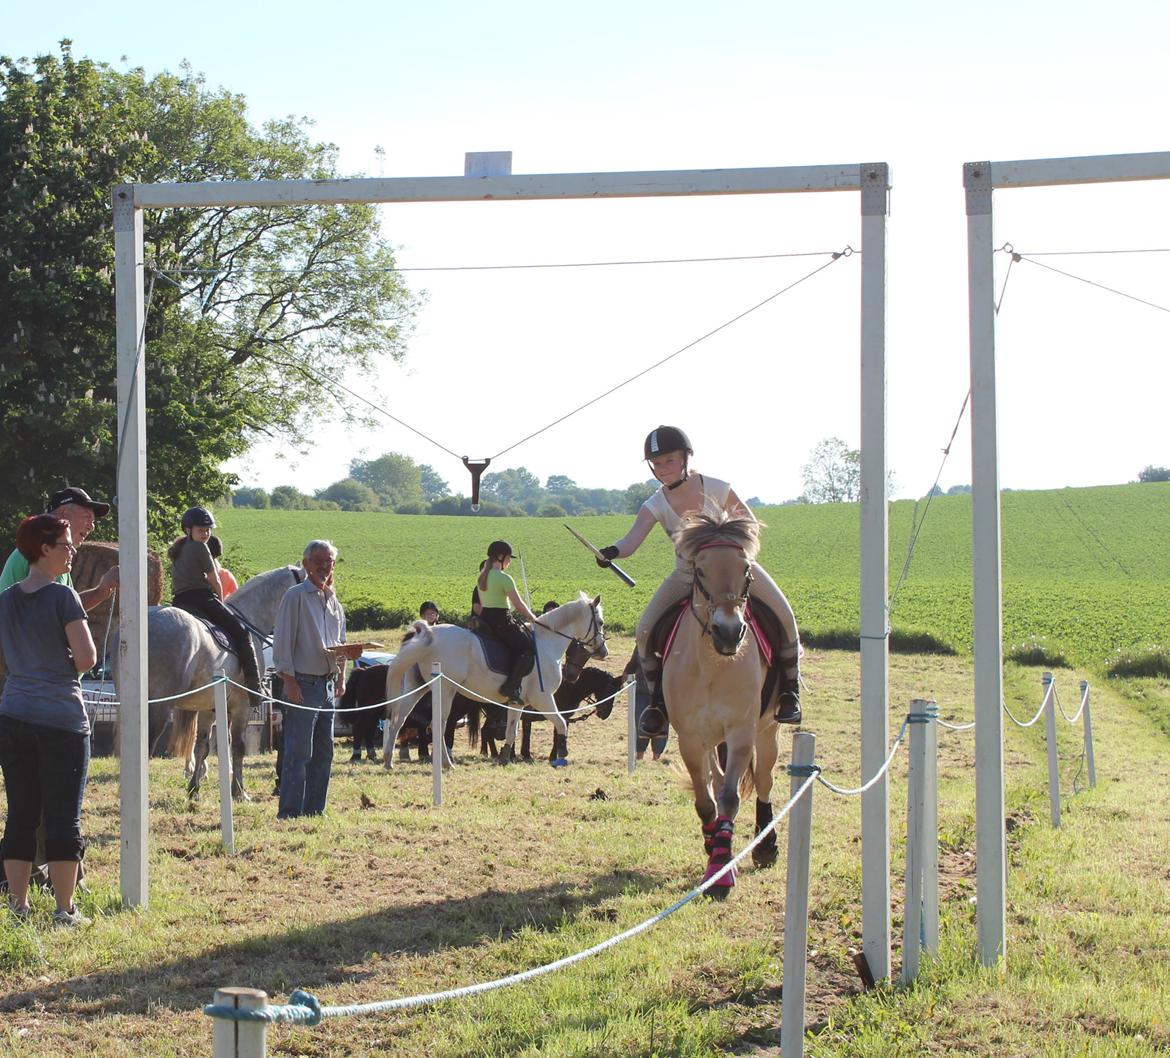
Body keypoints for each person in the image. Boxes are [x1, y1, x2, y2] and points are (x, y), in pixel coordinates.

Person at [596, 426, 802, 737]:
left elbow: (749, 524)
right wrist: (611, 551)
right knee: (644, 630)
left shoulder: (718, 488)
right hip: (687, 576)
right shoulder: (654, 504)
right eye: (656, 464)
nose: (662, 470)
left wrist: (728, 546)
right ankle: (659, 705)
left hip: (733, 570)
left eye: (669, 461)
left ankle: (789, 693)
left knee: (785, 616)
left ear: (685, 458)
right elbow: (631, 541)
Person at [0, 515, 97, 927]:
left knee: (20, 812)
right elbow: (88, 659)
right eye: (66, 543)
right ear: (44, 549)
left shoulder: (4, 598)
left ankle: (18, 905)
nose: (71, 550)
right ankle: (64, 909)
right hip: (60, 718)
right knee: (63, 816)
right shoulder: (64, 597)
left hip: (13, 715)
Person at [273, 540, 347, 819]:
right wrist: (288, 680)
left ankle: (315, 810)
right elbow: (283, 641)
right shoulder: (295, 596)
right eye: (317, 560)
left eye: (328, 561)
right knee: (298, 751)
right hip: (302, 683)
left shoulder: (334, 602)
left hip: (327, 685)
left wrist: (340, 678)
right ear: (305, 564)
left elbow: (340, 644)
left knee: (324, 752)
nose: (324, 566)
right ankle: (290, 812)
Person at [167, 507, 262, 709]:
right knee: (243, 633)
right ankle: (254, 689)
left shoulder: (178, 549)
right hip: (202, 599)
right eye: (201, 529)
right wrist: (221, 602)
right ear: (188, 529)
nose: (206, 533)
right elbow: (215, 580)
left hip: (179, 602)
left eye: (208, 530)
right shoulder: (201, 548)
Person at [0, 487, 119, 611]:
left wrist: (101, 591)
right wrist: (100, 591)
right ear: (64, 513)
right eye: (87, 517)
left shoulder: (45, 552)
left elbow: (64, 609)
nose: (92, 527)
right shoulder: (47, 554)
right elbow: (61, 612)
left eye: (93, 521)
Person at [475, 540, 539, 703]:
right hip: (502, 621)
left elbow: (484, 604)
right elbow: (519, 605)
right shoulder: (504, 578)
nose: (509, 562)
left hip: (485, 620)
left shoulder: (482, 577)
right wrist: (533, 618)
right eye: (509, 558)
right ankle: (511, 686)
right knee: (527, 649)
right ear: (501, 557)